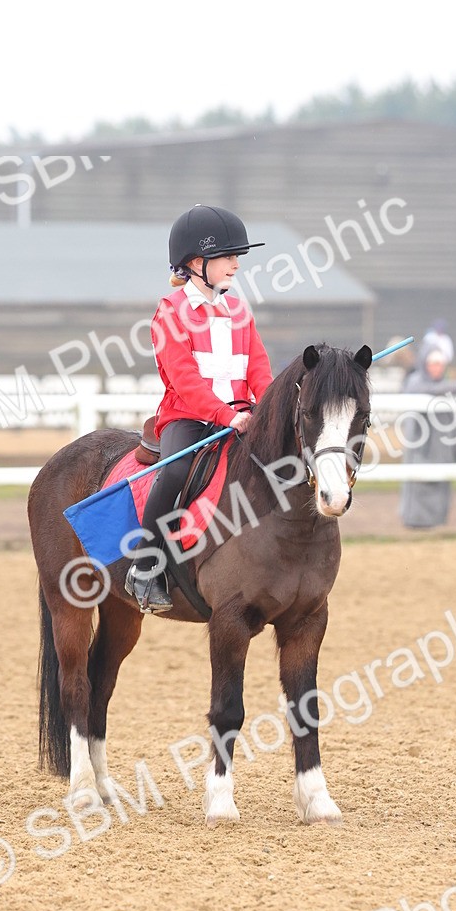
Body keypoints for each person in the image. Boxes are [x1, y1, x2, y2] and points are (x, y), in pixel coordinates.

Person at [124, 204, 273, 612]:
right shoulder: (170, 313)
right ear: (196, 263)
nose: (236, 265)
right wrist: (227, 416)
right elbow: (186, 381)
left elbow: (258, 368)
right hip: (188, 419)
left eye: (237, 257)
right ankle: (145, 564)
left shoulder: (240, 311)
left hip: (242, 415)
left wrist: (271, 405)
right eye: (228, 257)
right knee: (173, 473)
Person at [399, 347, 456, 529]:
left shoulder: (447, 387)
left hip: (442, 447)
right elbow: (427, 390)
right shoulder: (416, 382)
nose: (436, 368)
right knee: (419, 484)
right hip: (420, 446)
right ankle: (414, 521)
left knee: (440, 486)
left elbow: (453, 421)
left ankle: (436, 523)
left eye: (440, 364)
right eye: (433, 363)